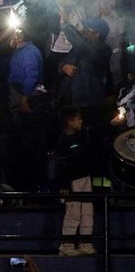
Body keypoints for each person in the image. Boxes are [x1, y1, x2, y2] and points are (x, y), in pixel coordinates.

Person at [52, 108, 94, 256]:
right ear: (70, 122)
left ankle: (85, 243)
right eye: (78, 118)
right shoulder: (63, 141)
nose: (81, 120)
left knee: (87, 211)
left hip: (85, 178)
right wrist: (64, 185)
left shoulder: (81, 136)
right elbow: (61, 165)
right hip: (73, 182)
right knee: (73, 212)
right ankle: (67, 245)